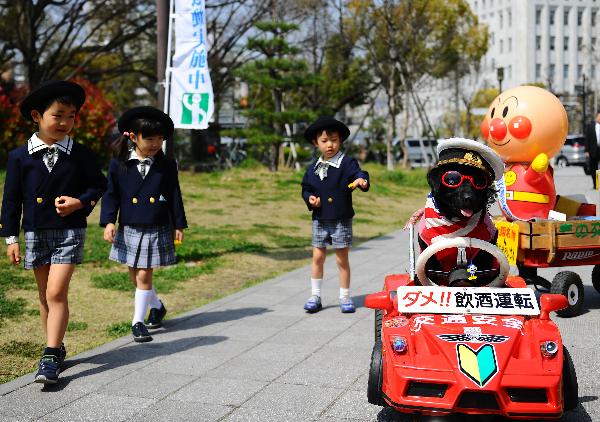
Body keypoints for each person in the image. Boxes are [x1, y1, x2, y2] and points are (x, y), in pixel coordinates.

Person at [0, 80, 107, 384]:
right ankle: (56, 346)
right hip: (35, 231)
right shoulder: (19, 157)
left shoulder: (80, 153)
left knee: (56, 292)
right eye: (58, 115)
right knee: (44, 296)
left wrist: (80, 202)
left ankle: (48, 356)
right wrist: (11, 237)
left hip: (69, 231)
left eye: (71, 116)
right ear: (37, 116)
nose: (65, 122)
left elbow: (99, 184)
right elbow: (11, 199)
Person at [100, 106, 187, 343]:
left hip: (155, 224)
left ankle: (137, 322)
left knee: (144, 276)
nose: (156, 143)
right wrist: (108, 221)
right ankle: (157, 306)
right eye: (149, 138)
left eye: (160, 138)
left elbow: (174, 194)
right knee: (135, 275)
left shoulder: (167, 164)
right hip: (129, 225)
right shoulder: (119, 163)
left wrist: (178, 224)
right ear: (132, 136)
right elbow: (111, 195)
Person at [301, 116, 369, 313]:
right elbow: (306, 188)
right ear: (316, 143)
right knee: (318, 257)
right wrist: (310, 199)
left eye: (334, 140)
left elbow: (360, 173)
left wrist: (361, 181)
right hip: (320, 219)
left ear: (340, 141)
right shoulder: (312, 167)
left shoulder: (347, 163)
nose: (329, 145)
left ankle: (345, 297)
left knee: (341, 259)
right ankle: (315, 296)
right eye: (324, 141)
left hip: (341, 218)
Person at [585, 110, 600, 189]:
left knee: (599, 169)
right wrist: (586, 151)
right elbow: (587, 139)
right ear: (597, 116)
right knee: (594, 168)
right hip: (593, 150)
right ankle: (596, 184)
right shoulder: (590, 126)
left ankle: (598, 183)